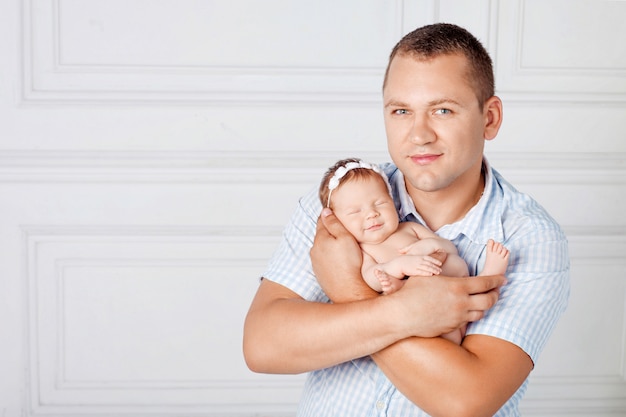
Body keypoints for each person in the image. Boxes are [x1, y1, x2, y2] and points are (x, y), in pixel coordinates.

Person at [243, 23, 570, 417]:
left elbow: (465, 400)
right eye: (401, 111)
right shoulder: (339, 204)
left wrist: (349, 287)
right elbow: (262, 345)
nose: (418, 135)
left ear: (490, 118)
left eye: (443, 110)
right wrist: (404, 314)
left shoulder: (529, 237)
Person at [318, 157, 509, 298]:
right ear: (336, 221)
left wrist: (426, 247)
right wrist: (399, 266)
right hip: (415, 300)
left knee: (457, 264)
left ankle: (487, 278)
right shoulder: (362, 250)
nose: (371, 214)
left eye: (380, 203)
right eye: (355, 212)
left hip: (447, 285)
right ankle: (403, 288)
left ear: (393, 201)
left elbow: (449, 247)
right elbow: (370, 278)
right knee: (397, 295)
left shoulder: (409, 228)